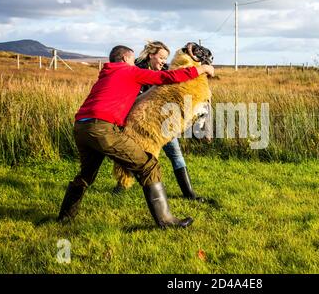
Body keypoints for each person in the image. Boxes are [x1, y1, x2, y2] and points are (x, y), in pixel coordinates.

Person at [57, 45, 215, 229]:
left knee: (86, 175)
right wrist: (201, 68)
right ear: (125, 59)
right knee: (148, 165)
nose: (134, 64)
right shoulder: (129, 71)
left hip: (81, 127)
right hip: (102, 128)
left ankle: (64, 218)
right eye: (132, 60)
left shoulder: (106, 75)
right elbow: (167, 77)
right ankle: (166, 221)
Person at [130, 41, 206, 202]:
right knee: (138, 156)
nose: (164, 61)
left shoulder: (166, 71)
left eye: (166, 58)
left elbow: (181, 76)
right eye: (161, 57)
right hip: (143, 124)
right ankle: (121, 187)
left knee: (176, 154)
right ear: (151, 55)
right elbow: (132, 98)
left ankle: (189, 193)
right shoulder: (137, 71)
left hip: (164, 123)